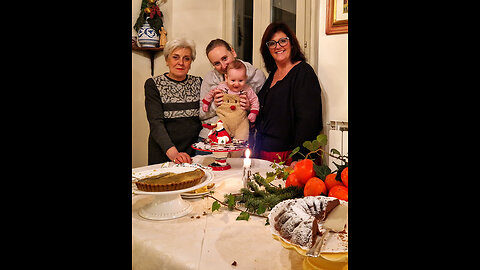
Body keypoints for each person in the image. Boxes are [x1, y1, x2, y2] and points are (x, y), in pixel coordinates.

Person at [254, 22, 323, 165]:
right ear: (267, 49)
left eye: (283, 41)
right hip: (265, 153)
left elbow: (308, 121)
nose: (278, 46)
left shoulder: (303, 72)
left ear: (292, 43)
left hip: (290, 157)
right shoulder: (273, 75)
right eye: (272, 43)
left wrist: (300, 158)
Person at [198, 39, 266, 151]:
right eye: (217, 63)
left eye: (225, 58)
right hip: (213, 138)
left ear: (233, 52)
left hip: (242, 139)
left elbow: (264, 113)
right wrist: (215, 105)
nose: (223, 66)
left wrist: (249, 108)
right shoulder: (210, 79)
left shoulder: (257, 77)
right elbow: (201, 114)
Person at [144, 38, 202, 165]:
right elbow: (156, 124)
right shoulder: (153, 84)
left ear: (190, 63)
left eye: (186, 58)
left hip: (192, 154)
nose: (181, 62)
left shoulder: (199, 83)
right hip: (164, 152)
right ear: (167, 60)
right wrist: (174, 154)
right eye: (175, 57)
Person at [202, 60, 260, 141]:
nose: (236, 84)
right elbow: (211, 93)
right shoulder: (222, 86)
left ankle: (238, 152)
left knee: (242, 138)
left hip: (241, 121)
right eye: (233, 80)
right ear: (226, 78)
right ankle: (222, 152)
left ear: (245, 78)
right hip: (224, 119)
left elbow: (254, 100)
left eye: (240, 80)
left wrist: (253, 112)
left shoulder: (247, 89)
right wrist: (206, 103)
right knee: (220, 137)